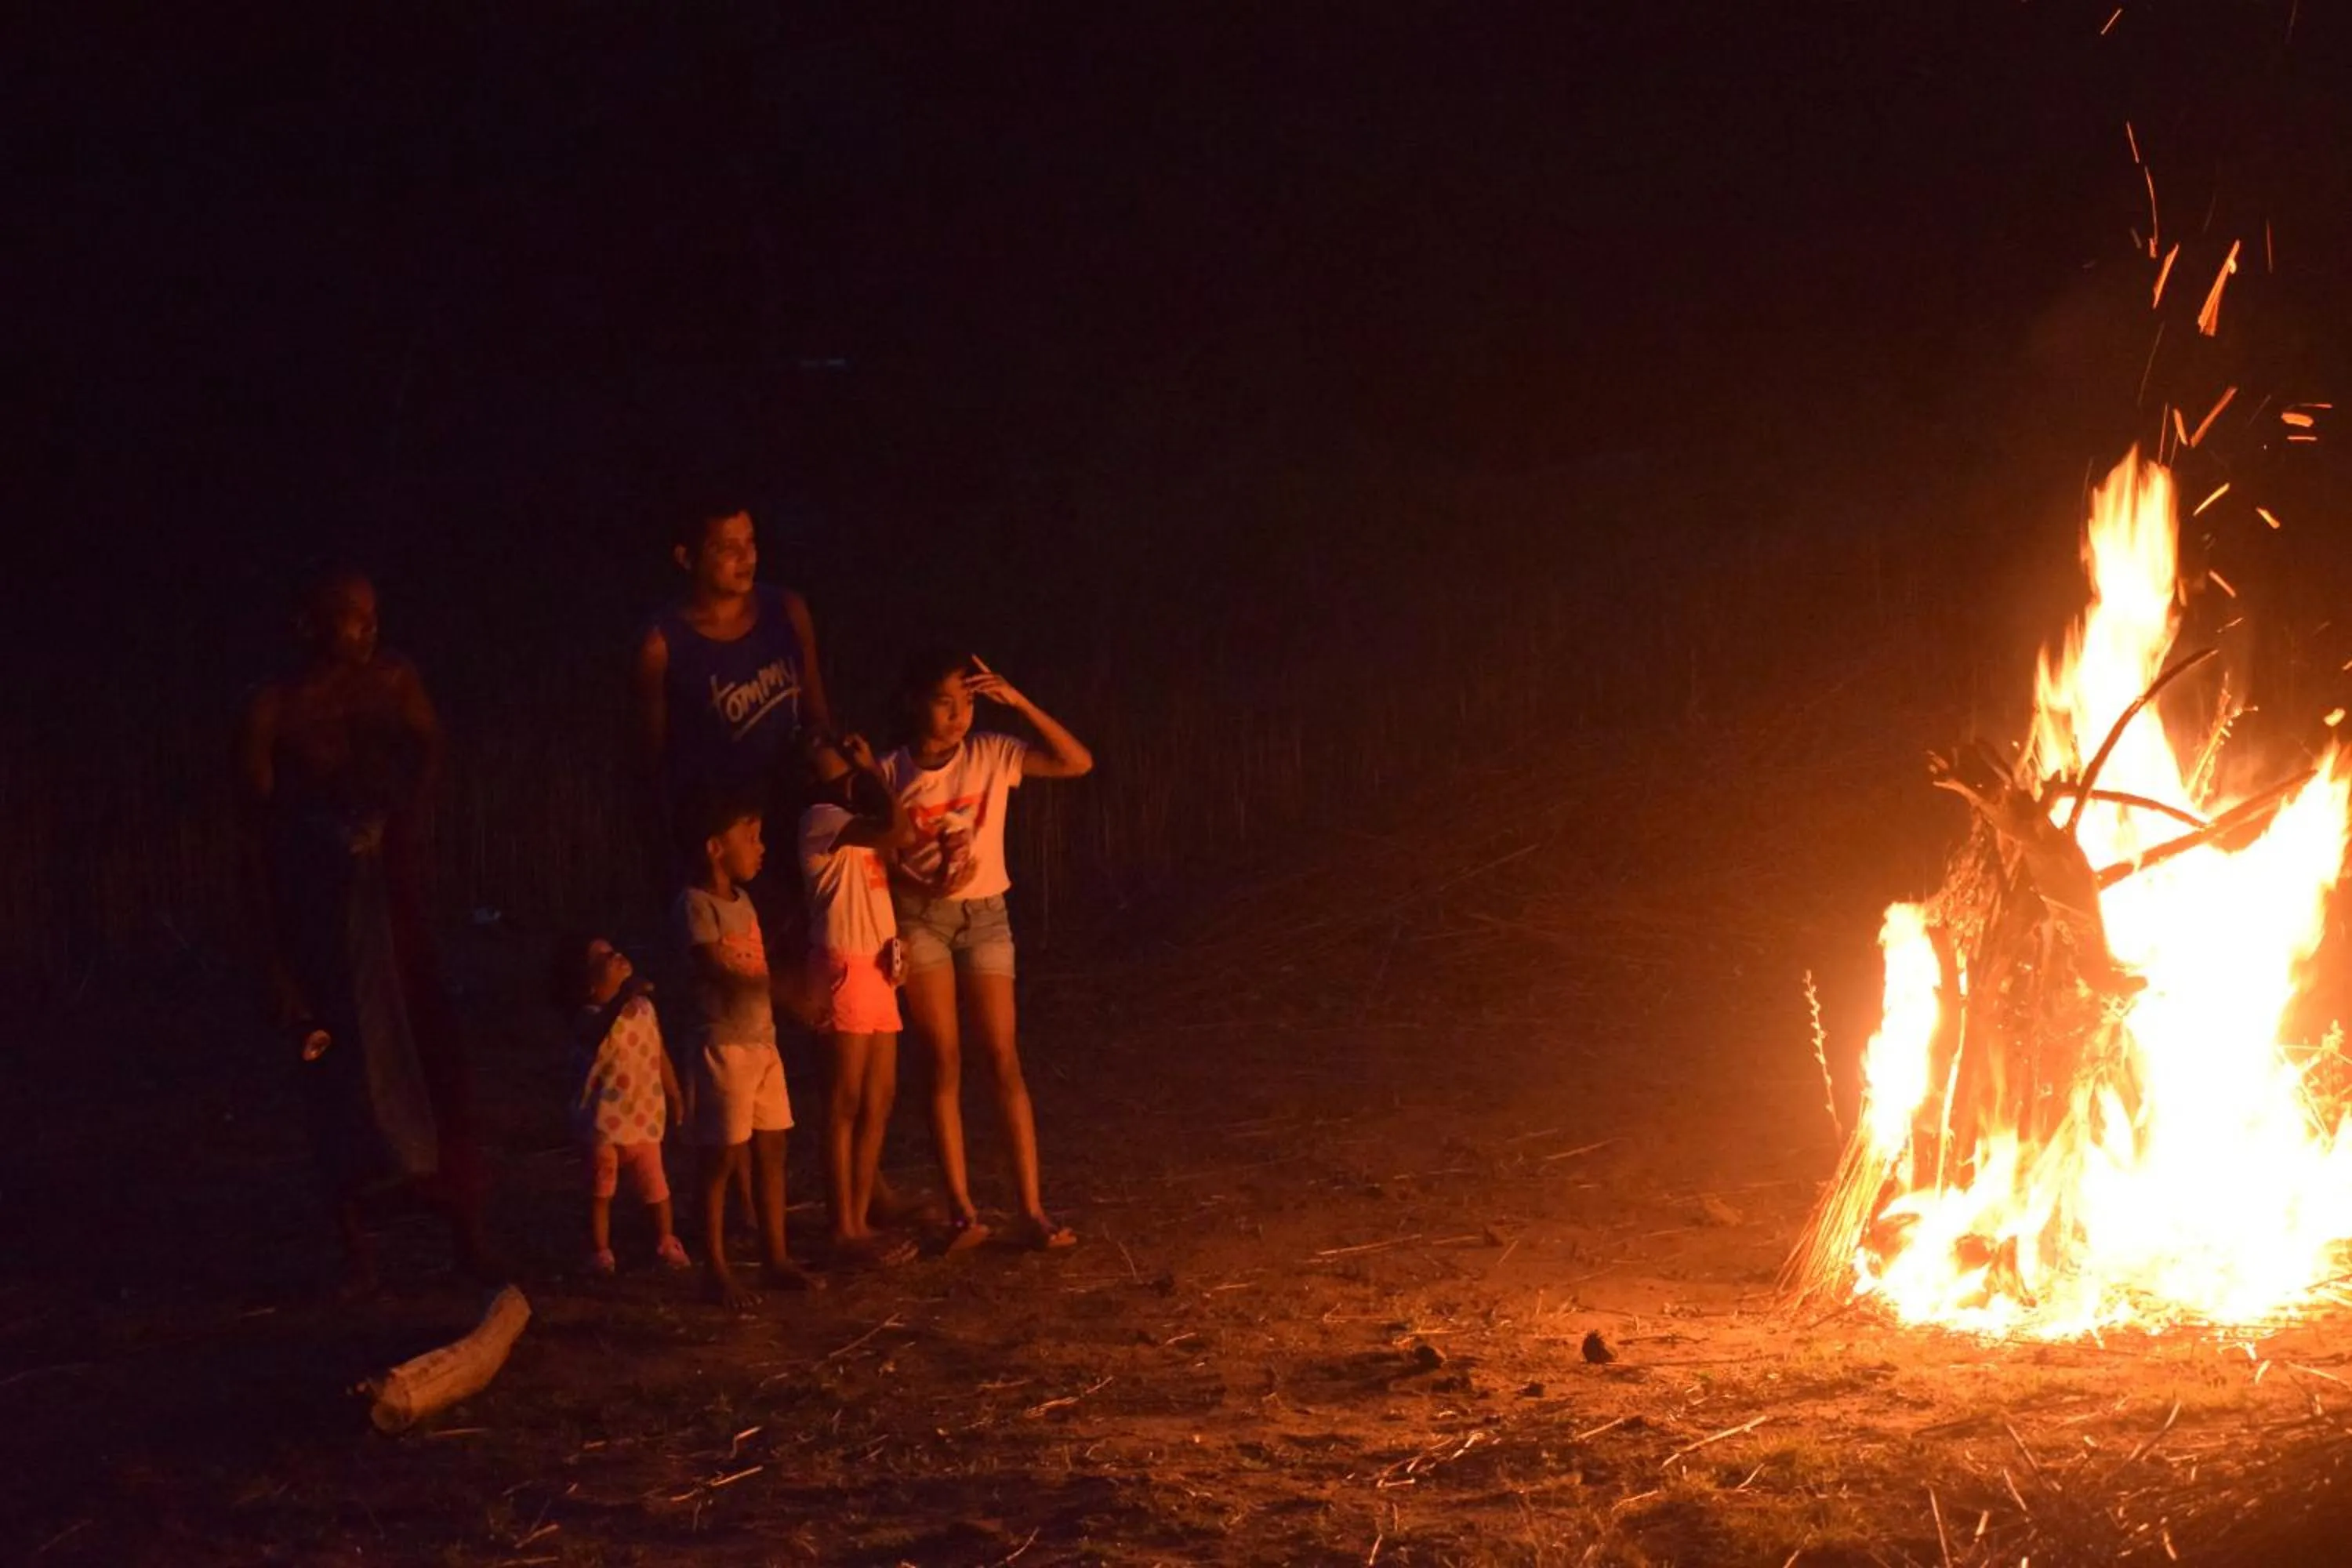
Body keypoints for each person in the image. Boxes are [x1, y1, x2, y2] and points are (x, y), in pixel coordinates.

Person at [235, 570, 490, 1297]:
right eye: (348, 619)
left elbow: (431, 748)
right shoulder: (275, 710)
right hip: (321, 910)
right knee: (336, 1067)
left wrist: (407, 821)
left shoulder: (394, 682)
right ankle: (356, 1251)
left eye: (372, 616)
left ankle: (465, 1232)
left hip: (396, 898)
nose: (366, 629)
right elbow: (251, 844)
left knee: (433, 1050)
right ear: (308, 626)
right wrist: (274, 964)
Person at [884, 652, 1094, 1251]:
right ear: (914, 703)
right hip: (921, 919)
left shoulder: (991, 752)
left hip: (986, 916)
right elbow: (876, 861)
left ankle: (1031, 1209)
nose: (959, 716)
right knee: (942, 1060)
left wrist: (1020, 702)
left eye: (968, 701)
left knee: (1002, 1057)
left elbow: (1077, 762)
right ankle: (962, 1212)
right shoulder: (888, 771)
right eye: (945, 702)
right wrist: (924, 884)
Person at [673, 785, 819, 1305]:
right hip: (724, 1046)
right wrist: (780, 988)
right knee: (722, 1158)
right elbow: (717, 967)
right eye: (751, 838)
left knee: (773, 1147)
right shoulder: (695, 905)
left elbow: (753, 971)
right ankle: (715, 1266)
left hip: (761, 1043)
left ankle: (774, 1257)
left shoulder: (746, 901)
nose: (761, 848)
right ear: (716, 847)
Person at [796, 731, 920, 1266]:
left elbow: (899, 849)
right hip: (844, 966)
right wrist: (874, 772)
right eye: (837, 764)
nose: (847, 769)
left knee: (878, 1098)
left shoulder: (851, 828)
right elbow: (900, 829)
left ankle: (861, 1218)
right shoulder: (821, 820)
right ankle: (842, 1227)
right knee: (844, 1101)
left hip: (878, 967)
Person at [549, 934, 691, 1276]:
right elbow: (597, 1032)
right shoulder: (589, 1017)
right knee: (601, 1188)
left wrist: (674, 1093)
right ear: (587, 983)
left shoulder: (643, 1009)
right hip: (602, 1122)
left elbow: (658, 1053)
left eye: (615, 951)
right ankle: (600, 1250)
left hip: (643, 1115)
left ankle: (665, 1240)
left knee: (656, 1185)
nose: (617, 957)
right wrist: (622, 996)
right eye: (604, 958)